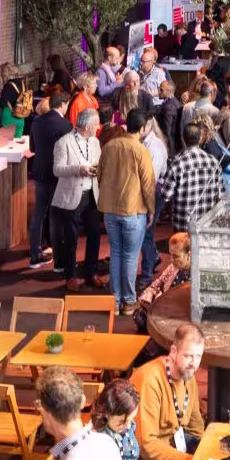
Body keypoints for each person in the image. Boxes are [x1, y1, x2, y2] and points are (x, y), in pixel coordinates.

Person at [97, 108, 160, 303]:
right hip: (133, 210)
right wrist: (151, 209)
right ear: (141, 128)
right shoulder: (141, 150)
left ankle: (115, 301)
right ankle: (129, 300)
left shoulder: (109, 146)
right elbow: (148, 185)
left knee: (116, 253)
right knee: (130, 256)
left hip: (110, 209)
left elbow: (99, 175)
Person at [130, 324, 206, 460]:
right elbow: (147, 446)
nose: (194, 364)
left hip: (174, 445)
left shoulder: (188, 375)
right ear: (173, 351)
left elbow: (196, 427)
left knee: (213, 458)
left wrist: (204, 454)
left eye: (198, 356)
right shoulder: (151, 380)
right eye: (188, 356)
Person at [51, 108, 107, 291]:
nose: (98, 127)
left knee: (94, 234)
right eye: (96, 124)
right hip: (71, 196)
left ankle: (91, 272)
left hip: (92, 195)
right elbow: (57, 170)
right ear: (87, 126)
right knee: (71, 238)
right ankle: (70, 276)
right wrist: (79, 169)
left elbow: (99, 163)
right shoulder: (63, 142)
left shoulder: (95, 142)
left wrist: (98, 170)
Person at [26, 92, 75, 276]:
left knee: (38, 214)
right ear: (63, 105)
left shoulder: (37, 121)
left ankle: (34, 254)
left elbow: (32, 148)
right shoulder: (65, 124)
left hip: (39, 172)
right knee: (56, 216)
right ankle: (58, 258)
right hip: (57, 175)